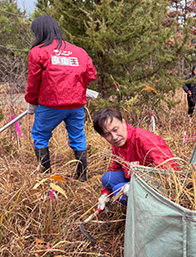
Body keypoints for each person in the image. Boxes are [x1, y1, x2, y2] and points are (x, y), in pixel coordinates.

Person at [25, 15, 97, 181]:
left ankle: (46, 179)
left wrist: (32, 102)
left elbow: (34, 81)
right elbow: (91, 74)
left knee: (40, 136)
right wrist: (76, 84)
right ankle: (82, 178)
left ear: (39, 32)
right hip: (76, 106)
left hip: (51, 105)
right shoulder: (79, 51)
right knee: (78, 138)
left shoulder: (38, 52)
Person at [93, 108, 178, 210]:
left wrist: (137, 187)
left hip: (154, 185)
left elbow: (171, 174)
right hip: (134, 177)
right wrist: (105, 194)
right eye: (107, 134)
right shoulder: (118, 144)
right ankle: (131, 197)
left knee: (117, 190)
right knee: (107, 179)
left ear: (123, 123)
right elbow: (115, 169)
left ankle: (143, 209)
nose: (114, 137)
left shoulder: (145, 140)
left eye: (115, 130)